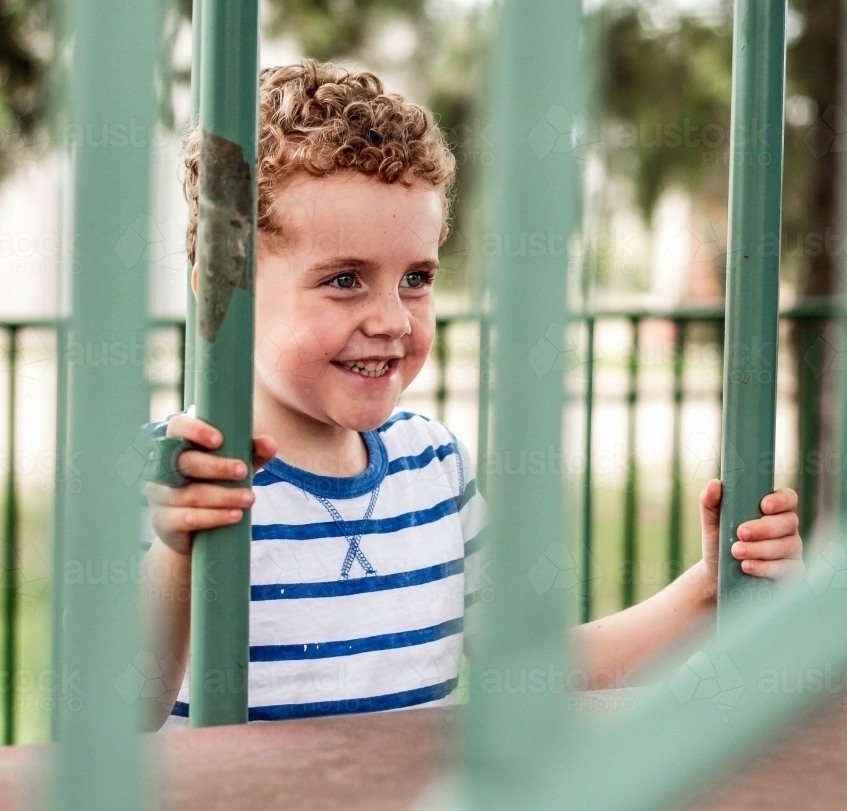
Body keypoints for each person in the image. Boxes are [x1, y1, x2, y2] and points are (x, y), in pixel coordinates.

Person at [142, 60, 804, 730]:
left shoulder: (433, 465)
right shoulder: (177, 473)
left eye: (416, 277)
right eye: (345, 279)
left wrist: (707, 590)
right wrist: (175, 548)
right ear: (224, 287)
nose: (394, 320)